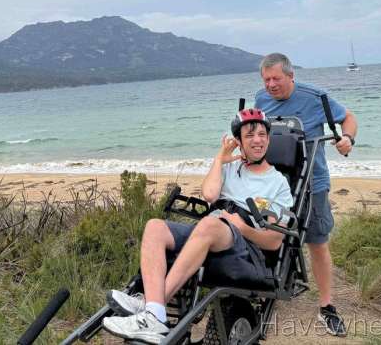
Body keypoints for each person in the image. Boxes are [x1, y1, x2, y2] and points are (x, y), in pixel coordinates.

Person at [101, 108, 293, 344]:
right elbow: (210, 195)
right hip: (210, 231)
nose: (257, 140)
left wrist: (242, 228)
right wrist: (219, 159)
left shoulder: (278, 183)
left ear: (269, 138)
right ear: (239, 142)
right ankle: (153, 306)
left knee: (209, 224)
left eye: (262, 134)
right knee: (154, 227)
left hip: (243, 246)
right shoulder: (228, 168)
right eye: (250, 135)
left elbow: (274, 242)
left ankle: (152, 311)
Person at [255, 52, 358, 337]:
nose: (271, 85)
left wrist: (347, 139)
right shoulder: (261, 100)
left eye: (276, 78)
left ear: (291, 76)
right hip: (273, 183)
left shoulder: (315, 97)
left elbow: (348, 118)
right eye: (267, 80)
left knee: (316, 241)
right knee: (269, 233)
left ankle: (327, 306)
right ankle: (269, 287)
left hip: (312, 181)